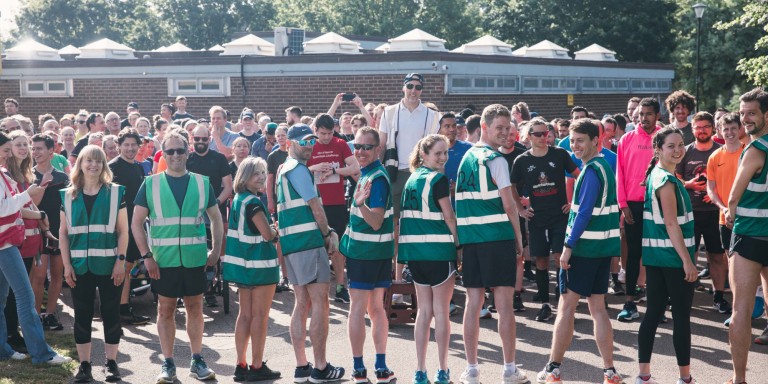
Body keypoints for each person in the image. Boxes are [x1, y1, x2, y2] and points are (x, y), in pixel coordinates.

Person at [131, 130, 223, 383]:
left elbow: (216, 218)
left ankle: (197, 359)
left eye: (179, 150)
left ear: (187, 152)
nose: (175, 155)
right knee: (165, 310)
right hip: (163, 260)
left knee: (195, 308)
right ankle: (168, 362)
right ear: (164, 153)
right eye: (169, 151)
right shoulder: (150, 183)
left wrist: (215, 250)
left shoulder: (202, 183)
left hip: (194, 259)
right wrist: (146, 256)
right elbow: (136, 223)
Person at [536, 119, 622, 384]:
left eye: (580, 140)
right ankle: (609, 371)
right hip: (602, 249)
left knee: (566, 307)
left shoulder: (590, 171)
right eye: (572, 141)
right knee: (598, 308)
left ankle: (553, 369)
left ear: (596, 140)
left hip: (584, 250)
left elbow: (583, 213)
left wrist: (568, 247)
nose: (575, 146)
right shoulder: (605, 167)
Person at [455, 104, 527, 384]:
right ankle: (509, 369)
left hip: (472, 239)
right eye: (499, 128)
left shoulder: (466, 159)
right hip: (497, 238)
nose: (505, 133)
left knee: (474, 302)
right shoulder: (496, 160)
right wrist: (519, 239)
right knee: (504, 304)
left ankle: (472, 369)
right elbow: (510, 206)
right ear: (484, 127)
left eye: (507, 128)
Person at [276, 124, 345, 383]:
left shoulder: (283, 168)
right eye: (304, 141)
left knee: (301, 302)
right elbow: (314, 205)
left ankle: (302, 367)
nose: (310, 145)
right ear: (291, 143)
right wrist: (328, 234)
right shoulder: (298, 169)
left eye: (311, 140)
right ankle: (320, 367)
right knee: (319, 303)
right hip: (307, 241)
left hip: (292, 243)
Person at [0, 131, 71, 365]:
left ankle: (3, 349)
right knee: (24, 295)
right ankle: (42, 354)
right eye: (6, 149)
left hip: (9, 241)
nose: (9, 154)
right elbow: (6, 208)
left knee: (3, 298)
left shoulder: (4, 174)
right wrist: (27, 194)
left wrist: (38, 213)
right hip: (4, 243)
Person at [60, 145, 129, 382]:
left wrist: (121, 261)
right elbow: (63, 233)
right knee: (82, 315)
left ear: (104, 165)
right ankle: (85, 366)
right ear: (80, 164)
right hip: (79, 266)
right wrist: (66, 265)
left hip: (110, 264)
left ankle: (111, 364)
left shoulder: (116, 193)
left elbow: (123, 232)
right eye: (88, 160)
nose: (93, 165)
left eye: (98, 161)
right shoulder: (67, 195)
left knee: (111, 313)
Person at [634, 127, 698, 384]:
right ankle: (684, 378)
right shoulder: (666, 181)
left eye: (681, 144)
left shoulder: (656, 174)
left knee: (653, 314)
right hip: (673, 258)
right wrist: (687, 261)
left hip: (655, 257)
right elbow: (671, 224)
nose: (678, 149)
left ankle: (644, 375)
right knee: (681, 317)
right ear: (658, 150)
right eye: (671, 146)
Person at [398, 134, 457, 384]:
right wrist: (459, 243)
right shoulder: (438, 179)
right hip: (439, 251)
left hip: (416, 254)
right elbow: (449, 216)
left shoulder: (411, 179)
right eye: (438, 153)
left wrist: (400, 262)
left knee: (423, 311)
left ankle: (420, 370)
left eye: (445, 153)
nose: (443, 158)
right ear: (424, 154)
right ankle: (442, 370)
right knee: (441, 312)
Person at [338, 127, 395, 384]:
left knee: (362, 309)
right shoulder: (367, 174)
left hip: (366, 253)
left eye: (366, 147)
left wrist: (360, 204)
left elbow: (376, 221)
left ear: (377, 150)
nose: (360, 151)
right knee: (374, 308)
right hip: (372, 252)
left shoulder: (376, 178)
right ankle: (376, 367)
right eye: (357, 146)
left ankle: (362, 368)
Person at [510, 117, 579, 322]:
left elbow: (579, 175)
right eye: (538, 134)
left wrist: (573, 202)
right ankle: (545, 305)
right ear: (529, 136)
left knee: (560, 258)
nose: (543, 137)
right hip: (537, 217)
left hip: (560, 215)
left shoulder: (560, 154)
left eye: (546, 133)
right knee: (540, 260)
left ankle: (563, 301)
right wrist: (520, 209)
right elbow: (512, 186)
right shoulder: (522, 160)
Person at [223, 157, 281, 382]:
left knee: (244, 315)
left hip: (243, 266)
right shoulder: (255, 203)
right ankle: (257, 366)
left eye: (262, 173)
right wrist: (275, 231)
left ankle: (241, 364)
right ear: (244, 176)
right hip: (260, 266)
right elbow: (267, 234)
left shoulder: (238, 198)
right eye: (255, 173)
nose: (260, 178)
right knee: (260, 317)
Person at [724, 88, 768, 384]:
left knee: (740, 309)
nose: (745, 119)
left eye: (751, 113)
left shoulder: (754, 150)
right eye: (742, 113)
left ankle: (739, 379)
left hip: (751, 237)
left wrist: (729, 214)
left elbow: (732, 198)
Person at [675, 111, 730, 313]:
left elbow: (730, 179)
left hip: (715, 213)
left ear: (713, 128)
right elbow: (675, 179)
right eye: (698, 127)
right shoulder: (685, 151)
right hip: (691, 212)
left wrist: (714, 194)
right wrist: (688, 184)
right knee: (688, 255)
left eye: (706, 126)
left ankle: (718, 296)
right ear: (692, 129)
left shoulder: (721, 150)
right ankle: (686, 295)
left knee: (716, 256)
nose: (702, 130)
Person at [616, 98, 662, 322]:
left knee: (656, 256)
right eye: (641, 114)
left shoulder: (665, 137)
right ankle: (630, 303)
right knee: (634, 255)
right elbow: (620, 174)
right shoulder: (626, 139)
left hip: (659, 204)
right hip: (633, 205)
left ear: (657, 115)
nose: (644, 118)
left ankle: (657, 305)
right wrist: (623, 205)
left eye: (649, 114)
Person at [308, 115, 360, 303]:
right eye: (323, 134)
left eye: (330, 133)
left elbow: (354, 167)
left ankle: (340, 286)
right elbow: (297, 170)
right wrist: (315, 167)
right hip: (314, 204)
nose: (327, 137)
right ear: (315, 131)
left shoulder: (341, 144)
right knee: (316, 246)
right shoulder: (309, 146)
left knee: (336, 246)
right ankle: (316, 290)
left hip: (336, 202)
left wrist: (335, 170)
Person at [108, 128, 152, 326]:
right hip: (118, 226)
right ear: (119, 146)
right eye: (126, 145)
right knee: (120, 267)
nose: (130, 148)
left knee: (127, 267)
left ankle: (123, 309)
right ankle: (117, 310)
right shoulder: (111, 168)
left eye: (134, 144)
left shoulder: (139, 167)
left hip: (136, 224)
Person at [187, 125, 233, 307]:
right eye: (197, 139)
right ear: (192, 139)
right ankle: (198, 286)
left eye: (204, 139)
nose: (200, 142)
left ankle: (211, 284)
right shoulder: (187, 159)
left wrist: (215, 204)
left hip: (215, 209)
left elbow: (228, 187)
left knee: (214, 246)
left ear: (209, 139)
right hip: (191, 212)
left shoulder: (219, 159)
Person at [30, 133, 69, 331]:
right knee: (37, 277)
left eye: (39, 148)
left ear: (51, 151)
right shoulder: (29, 176)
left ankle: (49, 315)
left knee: (57, 275)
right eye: (33, 148)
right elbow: (31, 204)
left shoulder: (63, 178)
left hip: (59, 232)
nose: (35, 152)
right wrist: (42, 183)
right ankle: (35, 317)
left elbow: (68, 206)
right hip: (37, 233)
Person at [265, 125, 290, 292]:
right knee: (280, 238)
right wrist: (270, 201)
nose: (280, 138)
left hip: (295, 202)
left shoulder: (294, 152)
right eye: (278, 135)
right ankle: (284, 274)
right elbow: (269, 180)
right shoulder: (273, 156)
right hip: (279, 201)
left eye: (283, 135)